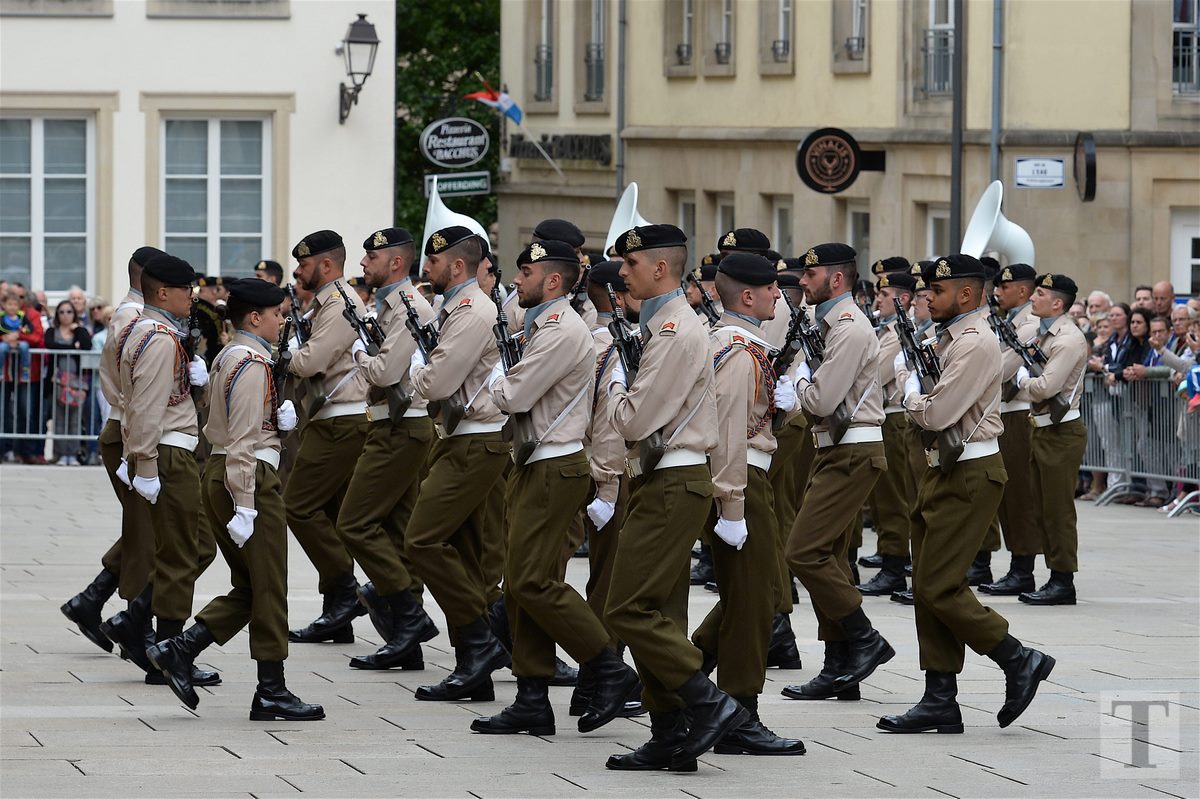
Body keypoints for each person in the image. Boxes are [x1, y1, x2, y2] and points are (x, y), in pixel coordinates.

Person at [879, 254, 1055, 735]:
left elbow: (937, 414)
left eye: (937, 291)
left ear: (966, 294)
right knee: (927, 587)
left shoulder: (975, 342)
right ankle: (940, 697)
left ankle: (1017, 657)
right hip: (944, 468)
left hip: (970, 471)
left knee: (938, 585)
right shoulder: (950, 337)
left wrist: (910, 396)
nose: (928, 298)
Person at [472, 239, 637, 737]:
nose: (515, 280)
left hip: (554, 466)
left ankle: (607, 666)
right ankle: (532, 694)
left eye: (525, 272)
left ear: (553, 280)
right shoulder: (542, 326)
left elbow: (514, 394)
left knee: (532, 581)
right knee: (521, 587)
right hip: (534, 463)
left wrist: (497, 381)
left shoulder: (562, 330)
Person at [603, 224, 746, 773]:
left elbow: (633, 420)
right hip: (666, 479)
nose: (622, 273)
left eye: (631, 263)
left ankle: (708, 703)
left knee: (625, 607)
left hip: (673, 480)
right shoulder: (666, 324)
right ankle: (669, 730)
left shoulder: (672, 330)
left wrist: (614, 385)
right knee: (658, 610)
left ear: (660, 268)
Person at [146, 277, 323, 721]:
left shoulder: (231, 355)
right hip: (248, 478)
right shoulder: (252, 364)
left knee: (250, 586)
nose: (282, 321)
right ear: (255, 318)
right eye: (277, 315)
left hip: (228, 472)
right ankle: (271, 689)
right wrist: (246, 502)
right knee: (270, 586)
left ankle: (181, 648)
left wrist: (276, 423)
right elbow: (242, 440)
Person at [686, 251, 805, 757]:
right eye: (772, 288)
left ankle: (693, 682)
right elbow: (730, 436)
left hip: (744, 478)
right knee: (755, 598)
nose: (780, 294)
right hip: (743, 481)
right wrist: (732, 507)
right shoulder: (739, 352)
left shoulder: (734, 343)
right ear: (750, 296)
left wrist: (781, 410)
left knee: (749, 594)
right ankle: (739, 713)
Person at [776, 243, 891, 705]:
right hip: (835, 449)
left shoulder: (848, 328)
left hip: (852, 451)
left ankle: (865, 638)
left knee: (802, 552)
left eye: (810, 275)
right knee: (832, 558)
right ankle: (840, 666)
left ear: (836, 279)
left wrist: (799, 379)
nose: (802, 282)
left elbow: (822, 401)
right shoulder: (830, 324)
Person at [406, 225, 513, 702]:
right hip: (462, 439)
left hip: (474, 442)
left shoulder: (472, 312)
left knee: (421, 540)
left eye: (433, 262)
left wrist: (416, 369)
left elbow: (437, 383)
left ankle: (481, 642)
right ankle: (474, 667)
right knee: (467, 558)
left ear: (456, 266)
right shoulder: (457, 308)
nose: (426, 268)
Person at [339, 227, 439, 671]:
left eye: (371, 256)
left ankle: (409, 616)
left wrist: (358, 355)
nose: (363, 263)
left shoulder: (409, 307)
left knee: (354, 523)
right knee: (397, 535)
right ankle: (405, 640)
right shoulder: (391, 305)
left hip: (401, 428)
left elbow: (385, 372)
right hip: (392, 425)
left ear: (396, 262)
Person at [115, 253, 214, 677]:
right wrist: (146, 466)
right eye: (185, 290)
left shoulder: (152, 332)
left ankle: (136, 618)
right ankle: (169, 652)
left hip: (169, 449)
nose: (192, 296)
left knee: (199, 545)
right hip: (168, 451)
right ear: (162, 292)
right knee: (181, 553)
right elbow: (146, 409)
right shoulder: (157, 338)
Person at [61, 248, 162, 658]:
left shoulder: (133, 314)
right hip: (129, 432)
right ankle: (136, 626)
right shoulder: (135, 318)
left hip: (130, 430)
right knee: (146, 534)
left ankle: (92, 601)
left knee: (146, 529)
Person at [282, 230, 370, 644]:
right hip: (333, 418)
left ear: (328, 265)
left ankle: (346, 594)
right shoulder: (326, 302)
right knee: (331, 516)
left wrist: (279, 352)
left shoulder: (339, 303)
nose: (298, 271)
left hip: (340, 421)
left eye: (304, 264)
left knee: (297, 506)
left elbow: (312, 361)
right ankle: (337, 612)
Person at [1012, 273, 1090, 605]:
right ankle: (1053, 576)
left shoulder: (1068, 339)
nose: (1032, 298)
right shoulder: (1044, 334)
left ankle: (1063, 580)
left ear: (1057, 303)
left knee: (1058, 511)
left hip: (1061, 433)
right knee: (1042, 508)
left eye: (1040, 294)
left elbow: (1046, 387)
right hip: (1042, 428)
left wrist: (1021, 379)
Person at [979, 264, 1045, 597]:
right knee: (1005, 497)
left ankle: (1023, 569)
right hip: (1003, 413)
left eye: (1004, 287)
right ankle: (1013, 565)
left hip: (1018, 414)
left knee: (1020, 496)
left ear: (1022, 290)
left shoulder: (1030, 324)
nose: (997, 292)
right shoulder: (1007, 321)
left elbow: (1002, 368)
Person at [858, 269, 918, 597]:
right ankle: (889, 554)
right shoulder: (886, 330)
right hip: (884, 419)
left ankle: (895, 565)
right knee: (883, 496)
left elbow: (874, 374)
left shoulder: (898, 333)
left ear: (902, 299)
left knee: (893, 496)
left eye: (884, 294)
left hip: (894, 419)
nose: (877, 299)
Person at [43, 300, 92, 465]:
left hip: (77, 382)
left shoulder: (79, 330)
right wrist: (73, 347)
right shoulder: (52, 331)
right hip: (57, 380)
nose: (65, 315)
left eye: (69, 312)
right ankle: (61, 454)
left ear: (74, 314)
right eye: (62, 312)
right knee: (59, 418)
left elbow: (87, 345)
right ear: (57, 314)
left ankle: (73, 453)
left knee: (75, 419)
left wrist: (78, 330)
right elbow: (50, 344)